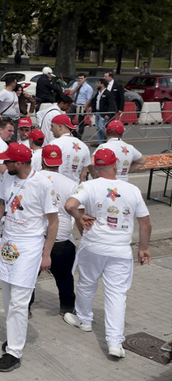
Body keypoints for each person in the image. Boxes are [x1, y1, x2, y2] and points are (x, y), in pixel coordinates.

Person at [63, 148, 151, 359]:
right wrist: (143, 248)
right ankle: (114, 342)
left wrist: (79, 216)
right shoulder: (132, 189)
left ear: (95, 167)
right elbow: (145, 223)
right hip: (120, 248)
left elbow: (69, 205)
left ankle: (84, 319)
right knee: (116, 294)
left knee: (86, 283)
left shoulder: (89, 186)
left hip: (93, 245)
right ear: (116, 166)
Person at [0, 143, 58, 373]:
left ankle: (14, 352)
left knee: (19, 300)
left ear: (19, 163)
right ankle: (14, 336)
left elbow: (53, 221)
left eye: (7, 161)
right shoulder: (8, 178)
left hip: (30, 245)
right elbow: (1, 206)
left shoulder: (43, 184)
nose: (3, 165)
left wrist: (46, 253)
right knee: (7, 297)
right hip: (8, 242)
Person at [36, 144, 80, 316]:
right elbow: (79, 216)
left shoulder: (33, 179)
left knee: (30, 278)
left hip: (37, 237)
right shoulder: (71, 184)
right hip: (62, 238)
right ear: (60, 162)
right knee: (64, 278)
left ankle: (26, 308)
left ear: (42, 160)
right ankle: (67, 308)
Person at [50, 114, 90, 182]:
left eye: (52, 126)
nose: (50, 129)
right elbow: (83, 175)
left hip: (57, 187)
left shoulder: (54, 144)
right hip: (75, 188)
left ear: (60, 126)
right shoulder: (84, 146)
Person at [67, 74, 94, 138]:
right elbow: (71, 92)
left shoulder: (88, 87)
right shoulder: (76, 84)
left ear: (85, 79)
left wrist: (85, 106)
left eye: (81, 78)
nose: (80, 80)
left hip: (81, 105)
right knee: (68, 118)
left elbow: (88, 99)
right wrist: (78, 86)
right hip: (74, 104)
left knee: (80, 121)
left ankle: (79, 135)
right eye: (79, 78)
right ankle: (73, 132)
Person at [92, 78, 116, 143]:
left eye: (98, 83)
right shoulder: (98, 92)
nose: (97, 85)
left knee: (101, 126)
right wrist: (92, 108)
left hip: (103, 113)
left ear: (102, 84)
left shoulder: (108, 93)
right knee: (98, 128)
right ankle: (100, 142)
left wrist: (108, 114)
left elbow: (111, 104)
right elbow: (95, 101)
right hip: (97, 112)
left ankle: (109, 137)